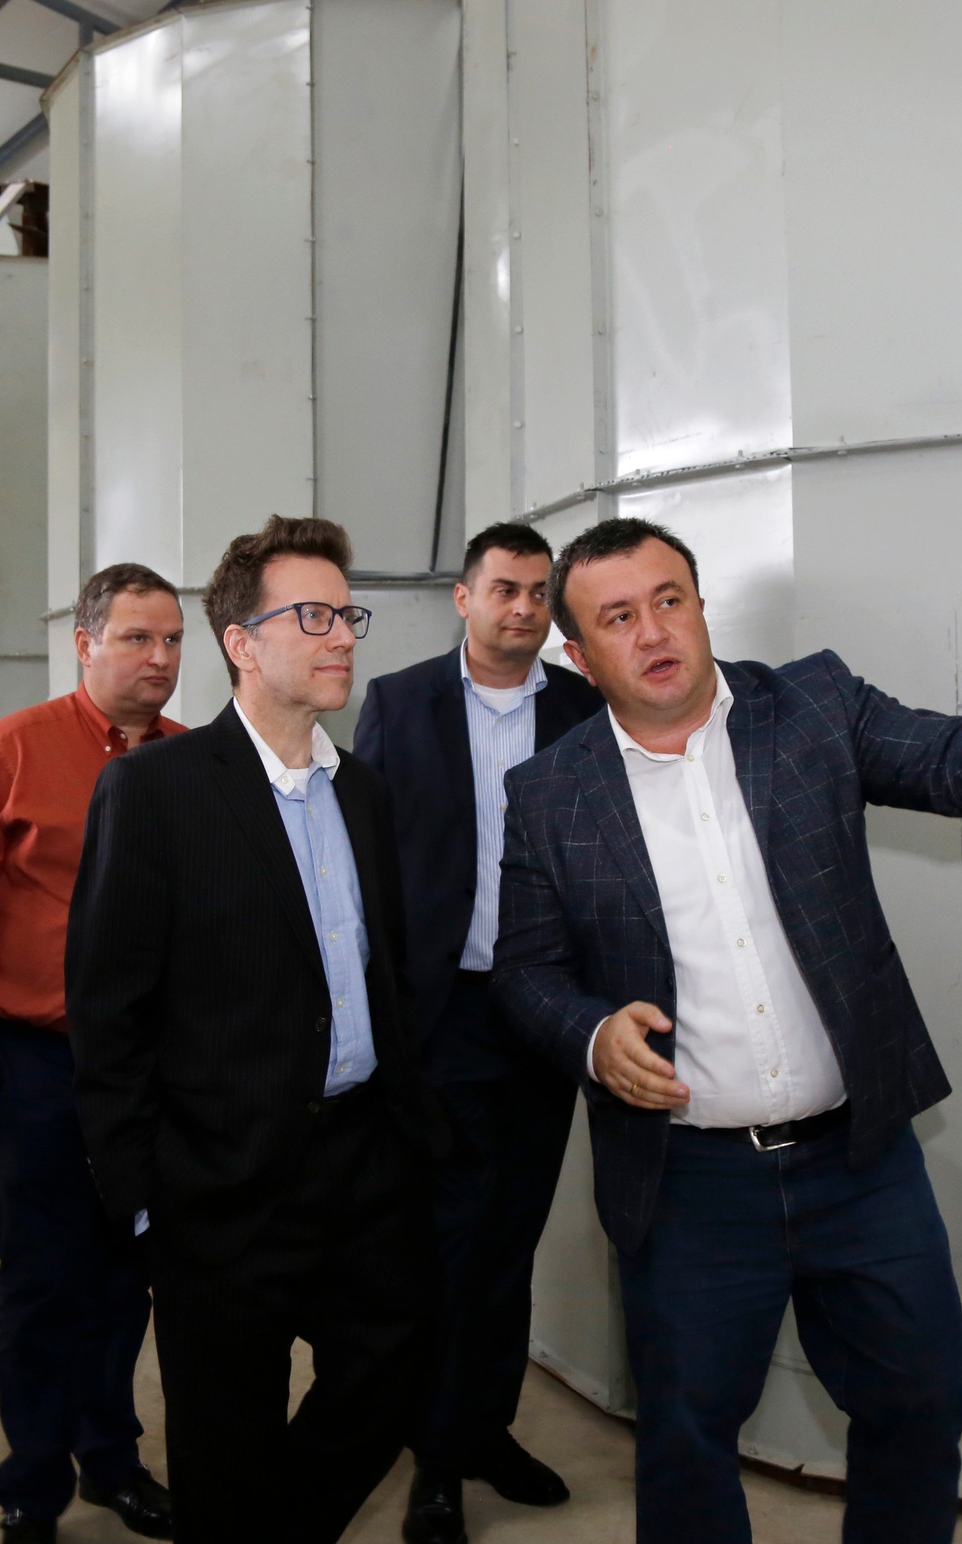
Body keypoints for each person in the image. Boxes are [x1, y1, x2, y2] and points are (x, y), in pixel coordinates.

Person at [493, 517, 962, 1544]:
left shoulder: (810, 704)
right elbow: (525, 970)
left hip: (859, 1163)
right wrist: (593, 1036)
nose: (654, 631)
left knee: (916, 1406)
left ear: (699, 606)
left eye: (669, 600)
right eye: (619, 617)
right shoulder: (550, 792)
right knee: (686, 1438)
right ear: (579, 656)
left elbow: (947, 766)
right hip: (687, 1184)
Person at [66, 517, 447, 1544]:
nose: (343, 636)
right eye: (314, 616)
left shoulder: (362, 791)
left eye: (348, 615)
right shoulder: (155, 790)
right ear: (241, 641)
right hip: (219, 1175)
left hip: (363, 1158)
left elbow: (387, 973)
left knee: (394, 1364)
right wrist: (140, 1193)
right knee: (223, 1432)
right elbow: (106, 1005)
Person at [0, 563, 186, 1543]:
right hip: (32, 1063)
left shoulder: (195, 762)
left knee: (126, 1277)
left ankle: (111, 1460)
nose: (158, 658)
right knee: (40, 1283)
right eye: (136, 638)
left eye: (171, 640)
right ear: (84, 643)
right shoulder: (9, 753)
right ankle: (31, 1486)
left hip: (150, 1075)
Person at [353, 522, 602, 1544]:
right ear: (464, 597)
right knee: (451, 1238)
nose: (523, 608)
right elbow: (371, 855)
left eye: (539, 593)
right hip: (442, 1011)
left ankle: (486, 1425)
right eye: (505, 588)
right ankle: (437, 1457)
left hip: (544, 1008)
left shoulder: (582, 706)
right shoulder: (400, 700)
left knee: (512, 1232)